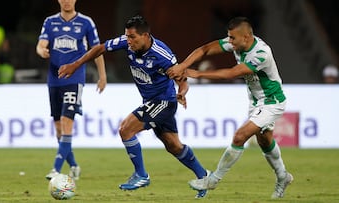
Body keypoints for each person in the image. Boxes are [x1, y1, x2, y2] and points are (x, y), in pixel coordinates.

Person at [58, 15, 209, 199]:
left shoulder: (162, 55)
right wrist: (75, 65)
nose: (128, 41)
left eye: (132, 38)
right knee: (174, 146)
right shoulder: (126, 42)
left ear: (145, 36)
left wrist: (182, 92)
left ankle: (141, 175)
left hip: (164, 102)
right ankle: (204, 176)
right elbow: (100, 48)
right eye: (127, 36)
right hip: (151, 103)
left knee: (125, 129)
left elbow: (182, 79)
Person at [167, 16, 293, 199]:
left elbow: (232, 73)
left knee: (240, 136)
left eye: (233, 38)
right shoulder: (236, 43)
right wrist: (183, 66)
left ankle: (213, 180)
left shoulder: (261, 53)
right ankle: (283, 177)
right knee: (264, 140)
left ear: (247, 36)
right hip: (256, 100)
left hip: (272, 101)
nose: (229, 41)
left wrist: (196, 73)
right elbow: (205, 49)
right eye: (229, 37)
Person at [36, 0, 107, 181]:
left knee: (68, 123)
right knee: (59, 129)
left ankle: (55, 170)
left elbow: (97, 50)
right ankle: (74, 166)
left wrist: (102, 76)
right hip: (54, 80)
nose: (67, 1)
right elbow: (41, 43)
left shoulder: (86, 22)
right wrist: (41, 51)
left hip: (74, 79)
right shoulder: (50, 22)